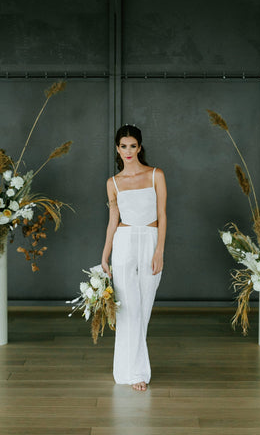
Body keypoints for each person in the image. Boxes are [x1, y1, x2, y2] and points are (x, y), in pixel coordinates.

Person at [101, 124, 167, 391]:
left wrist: (159, 250)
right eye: (122, 146)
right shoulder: (113, 183)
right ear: (117, 148)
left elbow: (162, 215)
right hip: (124, 243)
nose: (128, 151)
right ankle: (134, 372)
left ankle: (127, 367)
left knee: (144, 307)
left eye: (132, 146)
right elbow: (112, 221)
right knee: (128, 308)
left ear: (139, 147)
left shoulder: (156, 175)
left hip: (150, 240)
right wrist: (105, 255)